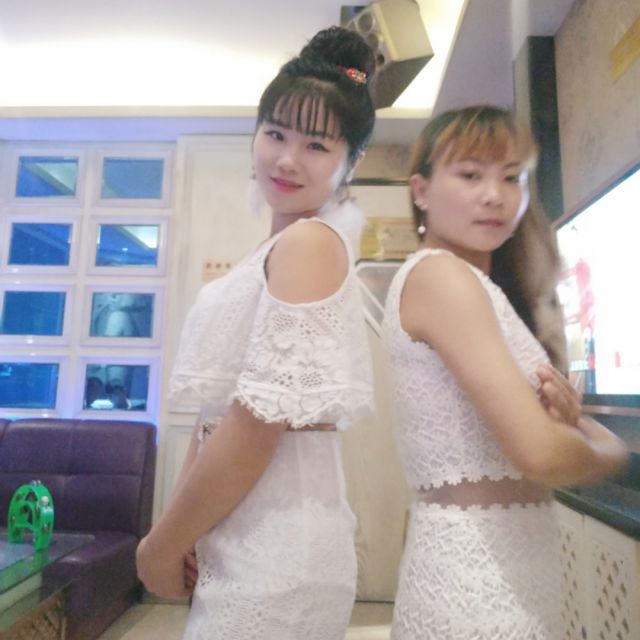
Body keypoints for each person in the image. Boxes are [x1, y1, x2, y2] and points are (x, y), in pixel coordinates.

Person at [136, 26, 377, 639]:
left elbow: (257, 422)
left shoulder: (310, 242)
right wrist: (182, 530)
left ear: (351, 162)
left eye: (316, 144)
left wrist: (159, 545)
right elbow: (215, 415)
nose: (288, 158)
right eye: (275, 133)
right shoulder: (274, 248)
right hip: (240, 530)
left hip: (279, 548)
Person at [382, 105, 629, 639]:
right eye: (470, 175)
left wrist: (568, 426)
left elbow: (546, 434)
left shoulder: (477, 285)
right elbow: (540, 453)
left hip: (503, 566)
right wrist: (611, 452)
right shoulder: (442, 276)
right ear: (421, 190)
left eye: (512, 177)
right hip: (476, 582)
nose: (494, 195)